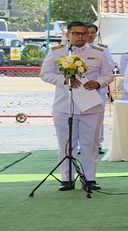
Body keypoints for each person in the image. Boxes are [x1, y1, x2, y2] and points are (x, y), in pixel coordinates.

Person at [39, 20, 113, 191]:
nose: (80, 37)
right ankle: (66, 178)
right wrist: (63, 80)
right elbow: (45, 74)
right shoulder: (57, 52)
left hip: (91, 106)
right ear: (68, 34)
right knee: (66, 143)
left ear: (89, 34)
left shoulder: (98, 53)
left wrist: (98, 83)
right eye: (76, 33)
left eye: (84, 33)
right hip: (65, 105)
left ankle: (90, 178)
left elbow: (108, 75)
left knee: (90, 143)